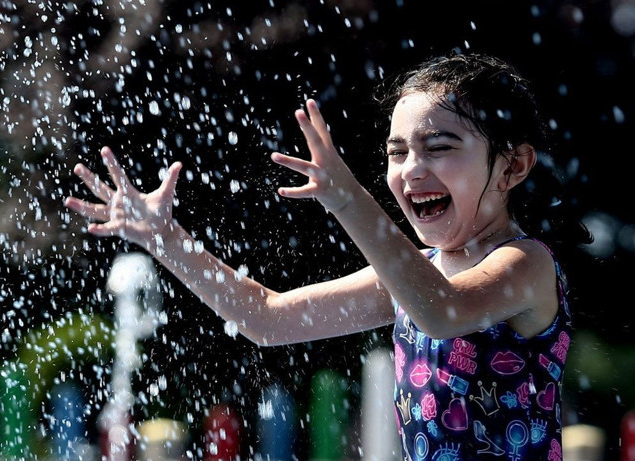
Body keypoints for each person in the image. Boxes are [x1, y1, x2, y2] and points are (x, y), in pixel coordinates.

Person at [64, 53, 591, 460]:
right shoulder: (414, 275)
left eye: (440, 146)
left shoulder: (526, 265)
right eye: (397, 151)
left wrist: (347, 198)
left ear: (513, 166)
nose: (410, 169)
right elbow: (263, 318)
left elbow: (442, 313)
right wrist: (167, 241)